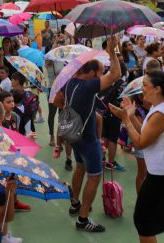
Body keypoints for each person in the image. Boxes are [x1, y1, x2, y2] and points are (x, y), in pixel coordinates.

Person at [109, 71, 164, 243]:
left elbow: (141, 143)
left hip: (163, 175)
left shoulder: (161, 113)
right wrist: (131, 115)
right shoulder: (160, 107)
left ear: (157, 89)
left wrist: (125, 120)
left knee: (143, 222)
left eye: (145, 85)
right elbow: (147, 131)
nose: (141, 89)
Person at [56, 36, 121, 233]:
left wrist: (76, 109)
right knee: (94, 177)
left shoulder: (70, 82)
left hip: (74, 136)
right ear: (92, 73)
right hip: (88, 140)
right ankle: (83, 220)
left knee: (80, 168)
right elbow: (116, 74)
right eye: (101, 73)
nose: (103, 76)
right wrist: (112, 51)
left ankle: (75, 203)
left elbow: (58, 100)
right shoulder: (88, 86)